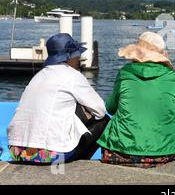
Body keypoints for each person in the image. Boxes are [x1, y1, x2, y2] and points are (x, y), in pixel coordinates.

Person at [7, 33, 108, 164]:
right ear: (68, 57)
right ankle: (79, 165)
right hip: (50, 154)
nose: (79, 58)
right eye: (77, 54)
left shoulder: (38, 76)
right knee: (104, 122)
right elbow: (100, 111)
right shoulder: (72, 75)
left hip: (18, 152)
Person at [97, 32, 175, 168]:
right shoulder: (172, 77)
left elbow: (111, 107)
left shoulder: (125, 73)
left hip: (123, 151)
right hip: (165, 151)